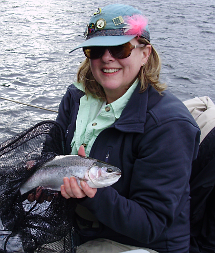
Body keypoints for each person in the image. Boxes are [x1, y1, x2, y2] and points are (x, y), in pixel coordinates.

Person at [55, 4, 200, 253]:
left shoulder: (169, 125)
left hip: (141, 244)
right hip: (84, 229)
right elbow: (53, 144)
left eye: (121, 48)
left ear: (145, 54)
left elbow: (151, 223)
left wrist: (92, 192)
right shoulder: (76, 96)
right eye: (96, 50)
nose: (107, 57)